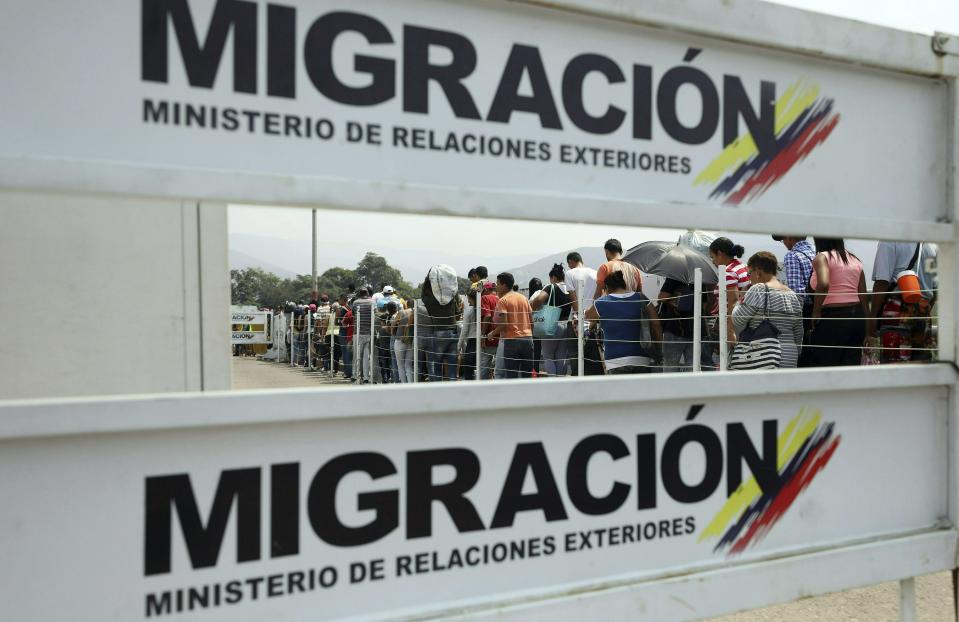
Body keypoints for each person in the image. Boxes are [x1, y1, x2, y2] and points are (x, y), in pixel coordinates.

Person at [731, 252, 804, 368]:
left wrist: (741, 298)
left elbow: (737, 319)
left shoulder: (758, 289)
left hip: (763, 356)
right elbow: (798, 332)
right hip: (790, 355)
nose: (749, 278)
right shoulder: (793, 295)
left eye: (749, 273)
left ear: (758, 272)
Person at [870, 241, 938, 363]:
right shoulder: (932, 245)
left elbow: (882, 283)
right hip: (924, 308)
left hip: (897, 308)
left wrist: (871, 319)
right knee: (923, 368)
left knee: (895, 367)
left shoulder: (889, 240)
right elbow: (936, 288)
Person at [586, 270, 662, 374]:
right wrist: (659, 349)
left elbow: (588, 317)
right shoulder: (641, 298)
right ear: (624, 285)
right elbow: (656, 324)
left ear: (607, 288)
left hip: (615, 360)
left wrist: (603, 296)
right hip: (642, 357)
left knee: (619, 390)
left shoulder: (602, 303)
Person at [807, 237, 869, 366]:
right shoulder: (855, 260)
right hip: (857, 318)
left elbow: (823, 284)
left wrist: (816, 312)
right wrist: (868, 327)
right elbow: (863, 296)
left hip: (833, 318)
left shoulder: (822, 257)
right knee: (850, 366)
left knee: (825, 365)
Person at [489, 272, 534, 378]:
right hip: (528, 339)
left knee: (512, 375)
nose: (496, 287)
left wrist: (492, 333)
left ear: (504, 285)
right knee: (527, 375)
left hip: (512, 340)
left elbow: (504, 324)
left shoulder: (503, 300)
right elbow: (531, 321)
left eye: (498, 284)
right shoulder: (524, 298)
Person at [530, 263, 572, 376]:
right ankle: (561, 382)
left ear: (553, 277)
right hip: (565, 324)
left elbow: (538, 299)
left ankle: (552, 382)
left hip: (551, 324)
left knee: (548, 356)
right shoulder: (570, 288)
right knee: (561, 356)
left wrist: (534, 306)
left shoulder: (551, 287)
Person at [709, 237, 749, 346]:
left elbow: (733, 301)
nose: (712, 261)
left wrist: (730, 331)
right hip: (745, 319)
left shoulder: (728, 272)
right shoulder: (741, 266)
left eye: (712, 257)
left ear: (720, 253)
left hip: (735, 322)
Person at [422, 267, 460, 381]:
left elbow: (424, 294)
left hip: (439, 332)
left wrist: (428, 279)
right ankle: (453, 387)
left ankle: (438, 389)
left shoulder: (431, 300)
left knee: (437, 363)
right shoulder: (451, 298)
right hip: (453, 331)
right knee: (452, 364)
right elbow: (458, 313)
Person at [565, 251, 599, 375]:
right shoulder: (595, 273)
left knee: (575, 354)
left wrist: (581, 318)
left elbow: (574, 300)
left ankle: (577, 380)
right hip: (594, 316)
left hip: (578, 318)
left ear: (571, 262)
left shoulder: (569, 273)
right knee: (594, 352)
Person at [457, 282, 484, 380]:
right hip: (482, 341)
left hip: (472, 342)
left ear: (472, 299)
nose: (468, 302)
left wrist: (459, 345)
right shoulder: (483, 309)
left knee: (468, 370)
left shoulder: (469, 311)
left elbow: (464, 330)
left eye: (469, 300)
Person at [350, 287, 375, 383]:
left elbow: (353, 313)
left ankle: (355, 375)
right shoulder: (372, 302)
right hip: (369, 332)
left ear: (359, 294)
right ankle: (366, 377)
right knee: (366, 356)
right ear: (368, 293)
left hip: (358, 332)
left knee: (356, 355)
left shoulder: (356, 302)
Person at [391, 300, 414, 382]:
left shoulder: (401, 312)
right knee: (408, 365)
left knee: (400, 365)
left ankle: (404, 385)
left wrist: (393, 331)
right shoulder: (415, 313)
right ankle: (411, 384)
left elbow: (393, 326)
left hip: (400, 340)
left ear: (407, 305)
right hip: (411, 341)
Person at [528, 277, 544, 374]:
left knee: (535, 354)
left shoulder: (533, 295)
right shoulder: (544, 293)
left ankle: (535, 373)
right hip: (546, 324)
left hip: (535, 327)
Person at [336, 294, 353, 380]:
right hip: (350, 331)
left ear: (343, 300)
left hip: (343, 332)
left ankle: (347, 372)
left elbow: (337, 322)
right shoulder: (350, 309)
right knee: (349, 353)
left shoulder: (341, 309)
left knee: (345, 352)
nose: (338, 301)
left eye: (339, 299)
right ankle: (351, 371)